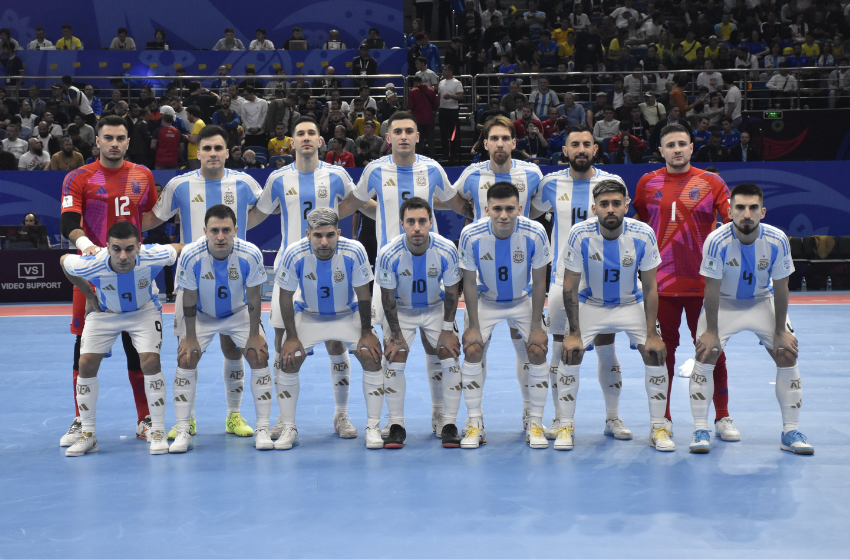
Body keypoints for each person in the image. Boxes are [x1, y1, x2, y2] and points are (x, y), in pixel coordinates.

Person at [249, 116, 374, 441]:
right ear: (291, 142)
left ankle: (341, 415)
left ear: (320, 141)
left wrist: (393, 215)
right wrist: (220, 223)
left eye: (311, 134)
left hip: (332, 269)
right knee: (282, 347)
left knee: (336, 342)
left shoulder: (336, 174)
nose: (306, 138)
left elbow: (353, 205)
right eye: (300, 133)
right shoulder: (277, 178)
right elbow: (258, 214)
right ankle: (282, 418)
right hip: (289, 272)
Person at [144, 125, 264, 440]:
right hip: (193, 287)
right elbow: (153, 219)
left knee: (234, 351)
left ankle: (233, 416)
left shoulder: (245, 182)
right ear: (198, 152)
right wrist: (110, 226)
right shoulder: (179, 185)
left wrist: (242, 229)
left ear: (228, 151)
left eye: (218, 148)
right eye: (207, 148)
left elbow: (263, 210)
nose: (212, 154)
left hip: (235, 284)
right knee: (188, 353)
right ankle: (188, 420)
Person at [58, 115, 159, 449]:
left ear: (128, 141)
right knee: (83, 350)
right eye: (108, 138)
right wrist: (88, 247)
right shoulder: (79, 177)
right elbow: (69, 220)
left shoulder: (142, 176)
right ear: (97, 141)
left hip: (132, 273)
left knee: (138, 347)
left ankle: (145, 419)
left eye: (121, 138)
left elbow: (148, 216)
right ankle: (80, 421)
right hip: (93, 273)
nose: (115, 143)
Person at [689, 183, 813, 455]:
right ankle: (700, 429)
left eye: (753, 208)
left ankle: (790, 431)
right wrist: (711, 330)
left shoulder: (778, 239)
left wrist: (780, 330)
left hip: (761, 301)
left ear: (763, 211)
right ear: (730, 212)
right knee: (705, 352)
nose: (747, 213)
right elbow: (710, 286)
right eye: (741, 208)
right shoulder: (717, 240)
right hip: (723, 302)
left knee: (787, 354)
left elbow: (781, 286)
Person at [633, 123, 737, 440]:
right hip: (660, 287)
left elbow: (733, 224)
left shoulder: (712, 182)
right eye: (670, 145)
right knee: (661, 353)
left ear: (692, 147)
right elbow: (636, 229)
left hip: (703, 286)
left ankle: (722, 417)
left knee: (711, 351)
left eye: (682, 143)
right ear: (661, 151)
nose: (677, 149)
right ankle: (662, 420)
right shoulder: (646, 183)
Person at [531, 124, 632, 441]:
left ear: (595, 149)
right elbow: (530, 214)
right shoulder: (549, 184)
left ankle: (613, 418)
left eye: (587, 144)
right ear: (565, 151)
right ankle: (562, 420)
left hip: (601, 283)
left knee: (605, 348)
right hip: (562, 283)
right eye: (575, 144)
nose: (581, 150)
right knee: (561, 351)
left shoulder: (610, 184)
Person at [559, 180, 670, 451]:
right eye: (605, 204)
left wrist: (653, 334)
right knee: (571, 353)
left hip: (630, 303)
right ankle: (565, 425)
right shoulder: (579, 233)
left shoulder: (643, 233)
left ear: (626, 206)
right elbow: (570, 285)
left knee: (655, 353)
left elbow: (652, 285)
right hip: (592, 303)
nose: (611, 209)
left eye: (616, 204)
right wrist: (574, 333)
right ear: (594, 208)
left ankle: (658, 427)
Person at [60, 223, 181, 456]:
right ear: (107, 246)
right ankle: (88, 435)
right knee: (85, 364)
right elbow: (65, 261)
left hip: (143, 312)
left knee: (150, 362)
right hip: (106, 313)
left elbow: (182, 248)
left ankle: (156, 430)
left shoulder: (153, 255)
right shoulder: (94, 261)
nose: (123, 256)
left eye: (129, 249)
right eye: (116, 249)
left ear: (139, 247)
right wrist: (88, 294)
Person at [453, 116, 544, 427]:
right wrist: (471, 214)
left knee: (528, 349)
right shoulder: (471, 175)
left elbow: (539, 205)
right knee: (476, 347)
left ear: (514, 143)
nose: (501, 143)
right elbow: (454, 200)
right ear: (486, 143)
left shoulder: (531, 172)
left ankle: (531, 414)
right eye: (495, 138)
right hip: (485, 275)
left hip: (520, 272)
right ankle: (474, 421)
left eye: (506, 138)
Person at [274, 208, 381, 449]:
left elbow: (364, 295)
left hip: (346, 314)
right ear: (307, 233)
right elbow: (285, 297)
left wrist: (367, 333)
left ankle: (365, 424)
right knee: (289, 359)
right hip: (310, 314)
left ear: (339, 233)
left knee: (372, 357)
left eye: (330, 235)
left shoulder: (355, 250)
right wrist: (291, 337)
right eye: (318, 235)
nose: (324, 242)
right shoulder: (294, 253)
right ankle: (288, 425)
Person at [457, 182, 550, 449]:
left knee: (536, 350)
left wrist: (536, 325)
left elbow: (539, 281)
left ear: (520, 208)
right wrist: (473, 326)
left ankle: (534, 421)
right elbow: (470, 283)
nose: (504, 215)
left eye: (510, 208)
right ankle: (475, 423)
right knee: (473, 349)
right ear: (486, 209)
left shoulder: (535, 232)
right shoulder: (470, 234)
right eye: (497, 209)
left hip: (523, 299)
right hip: (487, 300)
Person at [169, 205, 268, 452]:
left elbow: (255, 297)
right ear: (205, 231)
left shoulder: (251, 254)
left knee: (258, 355)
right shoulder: (191, 255)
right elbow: (188, 298)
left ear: (236, 230)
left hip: (237, 311)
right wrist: (190, 337)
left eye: (226, 230)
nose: (220, 236)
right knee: (186, 357)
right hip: (200, 312)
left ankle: (256, 425)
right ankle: (184, 425)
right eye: (214, 230)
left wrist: (254, 335)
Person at [375, 197, 463, 447]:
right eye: (411, 221)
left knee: (450, 355)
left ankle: (448, 423)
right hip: (401, 310)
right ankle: (396, 424)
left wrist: (447, 329)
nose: (417, 227)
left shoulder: (446, 249)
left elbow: (453, 292)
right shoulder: (388, 253)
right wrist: (395, 334)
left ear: (431, 223)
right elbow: (387, 297)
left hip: (436, 308)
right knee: (394, 356)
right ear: (402, 224)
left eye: (422, 221)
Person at [437, 65, 464, 166]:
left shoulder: (457, 83)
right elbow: (439, 96)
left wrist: (451, 96)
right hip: (443, 110)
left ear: (450, 71)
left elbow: (461, 96)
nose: (443, 72)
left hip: (453, 110)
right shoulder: (441, 83)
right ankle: (445, 154)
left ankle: (454, 154)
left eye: (445, 70)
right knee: (443, 133)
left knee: (453, 134)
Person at [408, 76, 438, 158]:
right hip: (429, 118)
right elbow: (435, 105)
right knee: (431, 140)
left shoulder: (412, 92)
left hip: (418, 119)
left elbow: (411, 106)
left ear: (415, 83)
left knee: (419, 141)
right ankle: (432, 158)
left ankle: (419, 158)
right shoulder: (431, 90)